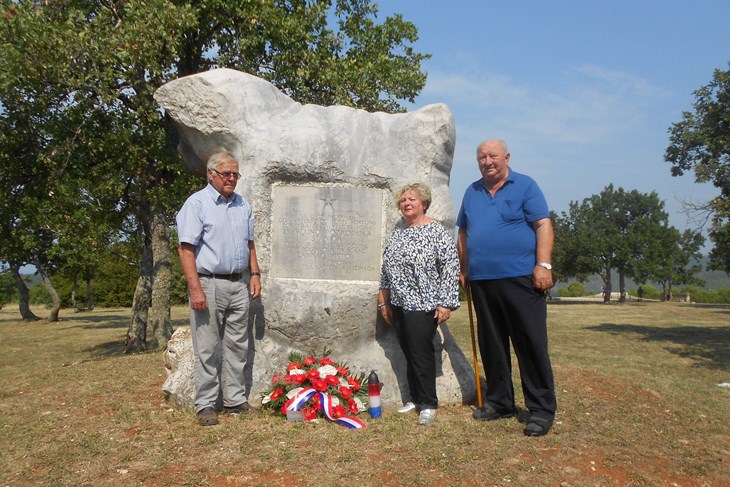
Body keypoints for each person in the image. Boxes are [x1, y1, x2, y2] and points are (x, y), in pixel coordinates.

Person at [456, 139, 557, 437]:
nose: (487, 161)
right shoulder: (471, 192)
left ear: (507, 157)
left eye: (493, 156)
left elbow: (543, 225)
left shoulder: (525, 186)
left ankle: (540, 410)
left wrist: (544, 265)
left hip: (521, 279)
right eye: (482, 157)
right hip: (483, 281)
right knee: (492, 345)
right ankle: (500, 402)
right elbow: (463, 231)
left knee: (530, 343)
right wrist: (464, 269)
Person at [176, 149, 262, 426]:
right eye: (227, 174)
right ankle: (205, 404)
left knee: (238, 345)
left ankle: (235, 400)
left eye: (236, 174)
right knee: (207, 347)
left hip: (239, 283)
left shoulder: (242, 205)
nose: (232, 179)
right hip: (209, 283)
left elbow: (250, 243)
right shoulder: (197, 204)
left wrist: (255, 273)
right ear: (211, 174)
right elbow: (186, 249)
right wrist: (195, 290)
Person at [378, 183, 460, 425]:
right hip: (400, 303)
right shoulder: (399, 232)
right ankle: (414, 398)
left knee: (421, 353)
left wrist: (445, 303)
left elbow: (450, 267)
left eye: (412, 199)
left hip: (423, 304)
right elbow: (386, 268)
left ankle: (428, 403)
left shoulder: (436, 231)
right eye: (403, 200)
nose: (407, 203)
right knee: (407, 350)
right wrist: (384, 302)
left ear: (424, 203)